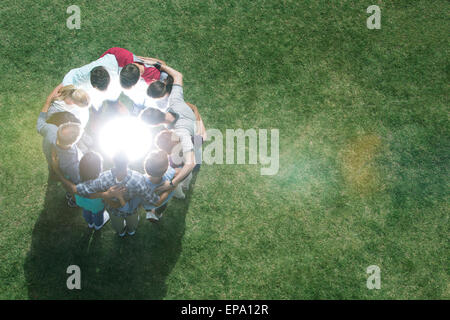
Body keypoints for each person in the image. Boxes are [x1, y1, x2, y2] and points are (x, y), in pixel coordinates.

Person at [140, 64, 205, 196]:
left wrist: (171, 184)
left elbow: (189, 163)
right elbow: (178, 75)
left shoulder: (180, 132)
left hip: (195, 139)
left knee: (195, 160)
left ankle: (190, 178)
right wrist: (161, 65)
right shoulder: (174, 100)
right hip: (194, 132)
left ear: (155, 125)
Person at [74, 152, 162, 237]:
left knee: (118, 227)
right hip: (131, 211)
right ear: (129, 161)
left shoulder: (102, 178)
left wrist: (105, 195)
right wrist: (171, 185)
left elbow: (81, 191)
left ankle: (121, 233)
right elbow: (153, 200)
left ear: (113, 161)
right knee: (132, 225)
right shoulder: (138, 179)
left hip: (113, 212)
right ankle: (131, 231)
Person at [51, 151, 122, 230]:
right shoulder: (102, 183)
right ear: (99, 170)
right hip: (97, 206)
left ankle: (90, 223)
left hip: (83, 204)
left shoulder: (77, 183)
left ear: (80, 168)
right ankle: (98, 225)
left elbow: (65, 180)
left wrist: (56, 169)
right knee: (98, 215)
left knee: (86, 212)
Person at [142, 150, 177, 222]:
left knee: (148, 205)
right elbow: (178, 171)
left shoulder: (141, 180)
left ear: (146, 168)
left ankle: (149, 212)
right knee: (162, 206)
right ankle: (158, 214)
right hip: (163, 201)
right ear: (166, 168)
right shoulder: (169, 173)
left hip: (148, 203)